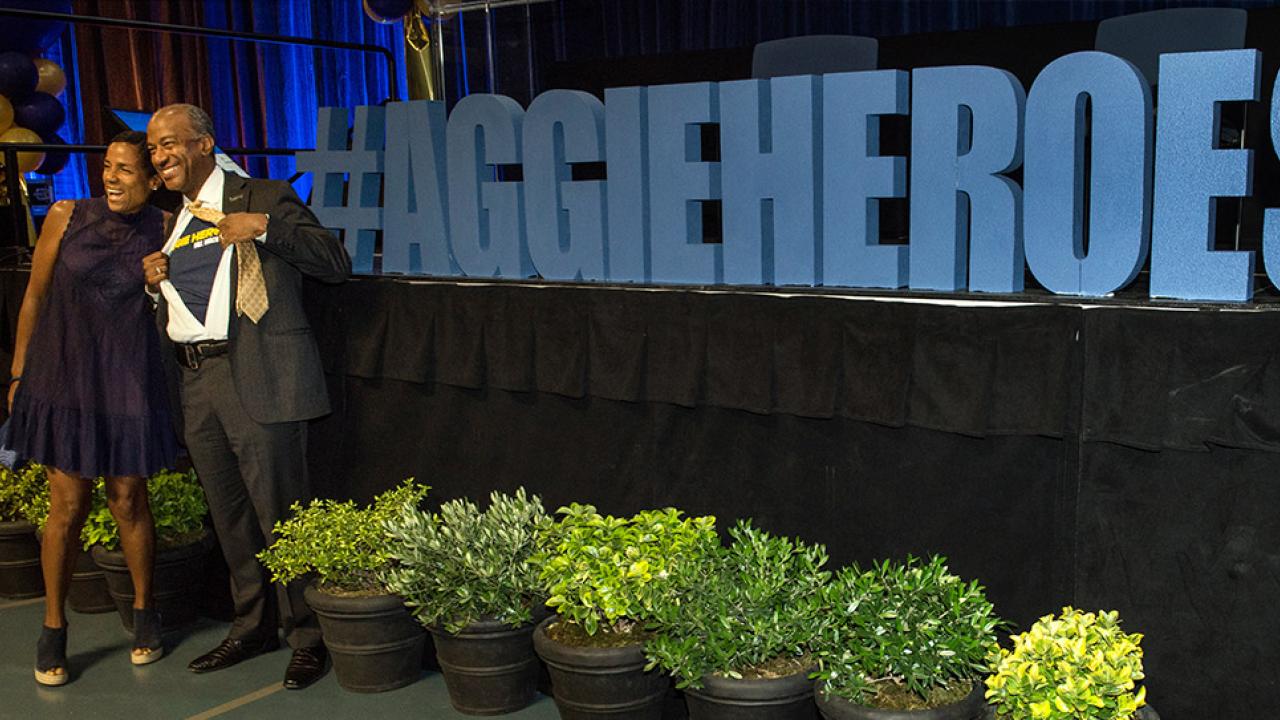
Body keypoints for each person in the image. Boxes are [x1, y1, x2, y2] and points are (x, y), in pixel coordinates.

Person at [142, 103, 349, 690]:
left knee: (282, 513)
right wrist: (155, 285)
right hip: (197, 382)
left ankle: (308, 636)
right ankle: (252, 626)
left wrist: (263, 228)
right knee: (230, 517)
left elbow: (335, 263)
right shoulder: (176, 220)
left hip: (258, 376)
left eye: (169, 143)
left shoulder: (264, 195)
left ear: (204, 143)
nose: (159, 156)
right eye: (153, 148)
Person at [9, 131, 179, 686]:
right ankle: (53, 628)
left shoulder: (165, 227)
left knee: (128, 499)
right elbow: (34, 296)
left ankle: (145, 614)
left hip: (128, 378)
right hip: (63, 376)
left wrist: (157, 285)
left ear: (151, 180)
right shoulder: (66, 216)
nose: (110, 177)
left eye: (125, 170)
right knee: (67, 504)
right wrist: (18, 372)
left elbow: (178, 306)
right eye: (107, 166)